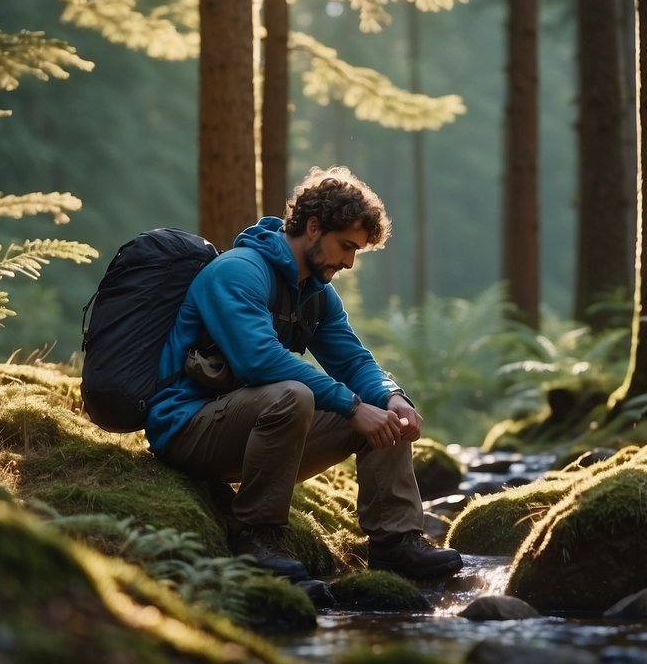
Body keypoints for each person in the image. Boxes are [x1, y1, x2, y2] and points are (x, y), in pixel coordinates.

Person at [146, 166, 463, 582]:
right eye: (345, 246)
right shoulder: (238, 272)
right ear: (313, 227)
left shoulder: (315, 294)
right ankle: (256, 535)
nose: (349, 262)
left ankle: (395, 542)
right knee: (296, 394)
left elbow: (353, 361)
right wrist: (350, 406)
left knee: (384, 413)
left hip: (251, 431)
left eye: (356, 252)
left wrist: (391, 397)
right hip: (187, 429)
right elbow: (259, 361)